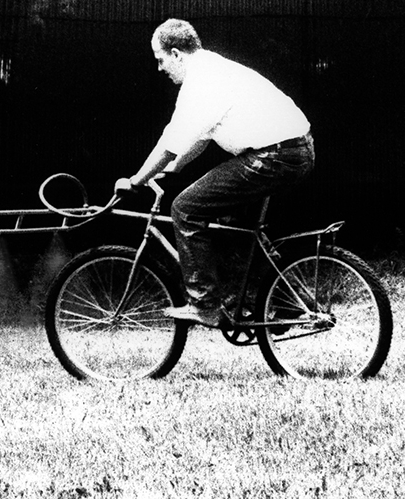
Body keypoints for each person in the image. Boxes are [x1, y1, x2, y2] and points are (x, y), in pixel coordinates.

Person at [114, 19, 314, 327]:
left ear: (177, 54)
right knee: (230, 225)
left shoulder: (201, 81)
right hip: (293, 150)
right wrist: (173, 168)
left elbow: (170, 141)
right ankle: (286, 301)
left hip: (274, 154)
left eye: (160, 60)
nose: (159, 69)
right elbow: (198, 138)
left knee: (185, 208)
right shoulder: (214, 68)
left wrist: (136, 180)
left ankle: (204, 303)